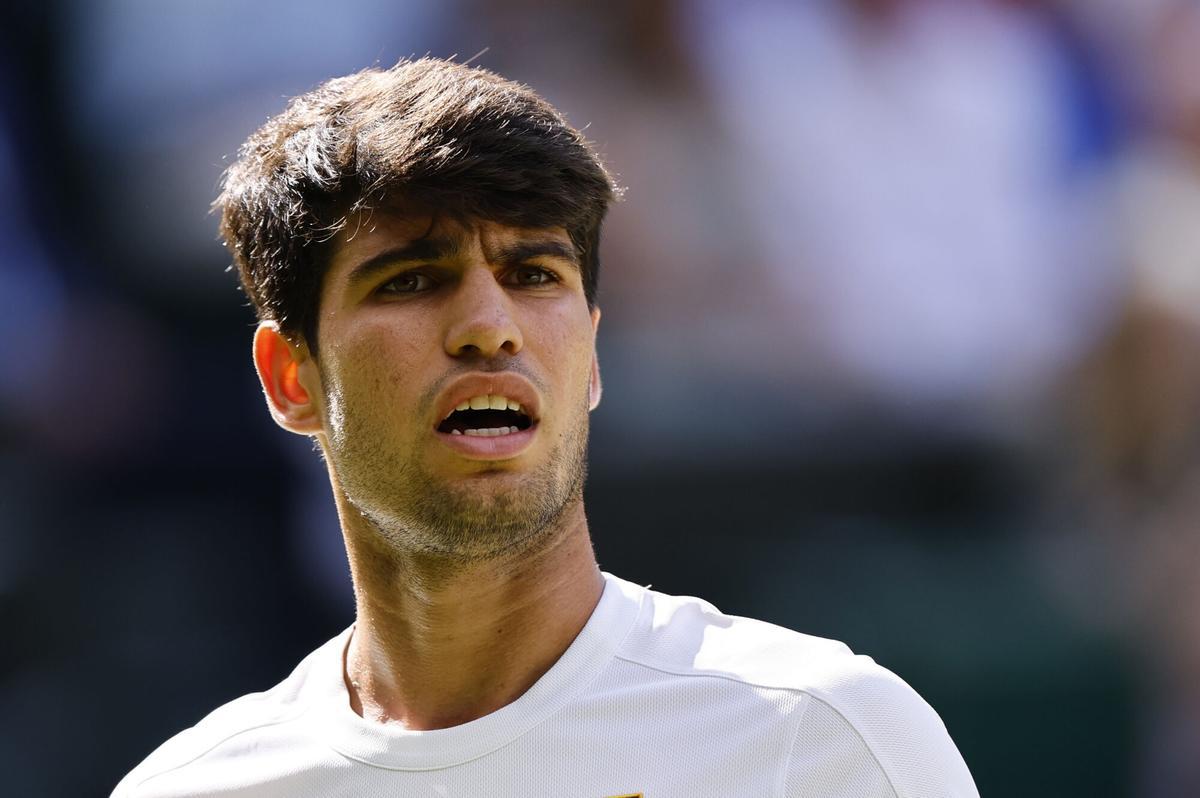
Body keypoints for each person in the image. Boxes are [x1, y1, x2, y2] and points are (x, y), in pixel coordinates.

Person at [112, 57, 979, 797]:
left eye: (533, 273)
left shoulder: (821, 740)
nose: (490, 326)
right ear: (290, 376)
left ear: (592, 358)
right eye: (411, 280)